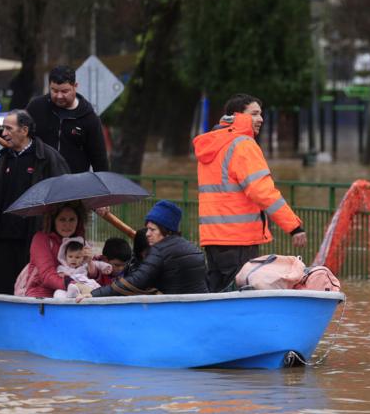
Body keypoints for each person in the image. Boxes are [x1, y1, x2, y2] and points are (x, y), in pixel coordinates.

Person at [193, 93, 307, 292]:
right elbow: (263, 192)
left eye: (261, 114)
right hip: (239, 239)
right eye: (254, 114)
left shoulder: (212, 145)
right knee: (241, 296)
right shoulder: (244, 145)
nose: (260, 119)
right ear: (237, 116)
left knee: (216, 295)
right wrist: (294, 227)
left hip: (213, 238)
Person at [0, 109, 70, 295]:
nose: (4, 134)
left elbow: (63, 196)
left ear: (24, 130)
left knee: (30, 288)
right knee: (4, 290)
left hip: (34, 237)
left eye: (8, 128)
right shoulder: (4, 158)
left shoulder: (47, 158)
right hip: (4, 238)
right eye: (3, 129)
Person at [77, 200, 208, 300]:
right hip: (196, 308)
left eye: (152, 229)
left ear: (166, 230)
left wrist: (94, 294)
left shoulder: (159, 250)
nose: (147, 234)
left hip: (173, 311)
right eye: (147, 229)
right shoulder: (192, 247)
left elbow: (137, 281)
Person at [26, 65, 109, 173]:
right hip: (39, 180)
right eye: (54, 91)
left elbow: (99, 159)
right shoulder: (36, 107)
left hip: (74, 184)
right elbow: (22, 137)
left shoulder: (89, 118)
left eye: (65, 91)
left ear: (75, 86)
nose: (59, 96)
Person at [25, 201, 90, 298]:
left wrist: (91, 264)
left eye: (72, 220)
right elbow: (47, 275)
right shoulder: (41, 239)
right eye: (62, 220)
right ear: (53, 220)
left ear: (78, 221)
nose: (67, 225)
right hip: (42, 296)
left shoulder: (80, 241)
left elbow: (86, 273)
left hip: (74, 295)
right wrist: (74, 285)